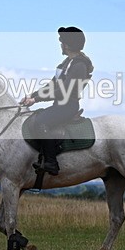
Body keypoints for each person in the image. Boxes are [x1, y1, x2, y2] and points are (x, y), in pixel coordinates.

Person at [20, 26, 94, 175]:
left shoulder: (79, 66)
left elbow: (64, 90)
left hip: (68, 106)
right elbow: (52, 85)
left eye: (62, 42)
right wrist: (32, 95)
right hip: (60, 105)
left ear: (67, 45)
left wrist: (36, 99)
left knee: (41, 122)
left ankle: (51, 163)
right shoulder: (65, 64)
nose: (60, 45)